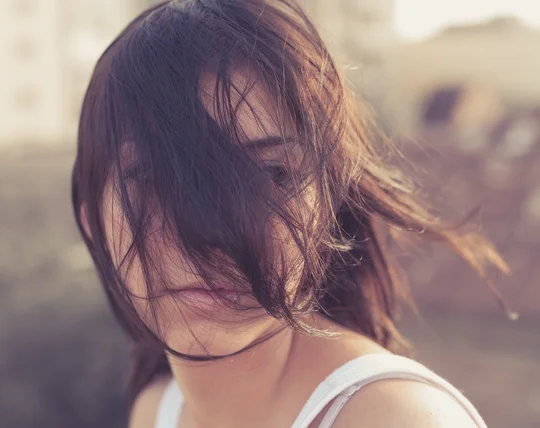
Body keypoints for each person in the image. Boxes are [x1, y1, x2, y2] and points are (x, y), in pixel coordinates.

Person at [71, 1, 510, 426]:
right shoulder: (156, 410)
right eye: (149, 176)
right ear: (94, 223)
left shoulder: (396, 419)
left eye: (272, 173)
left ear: (331, 206)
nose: (209, 233)